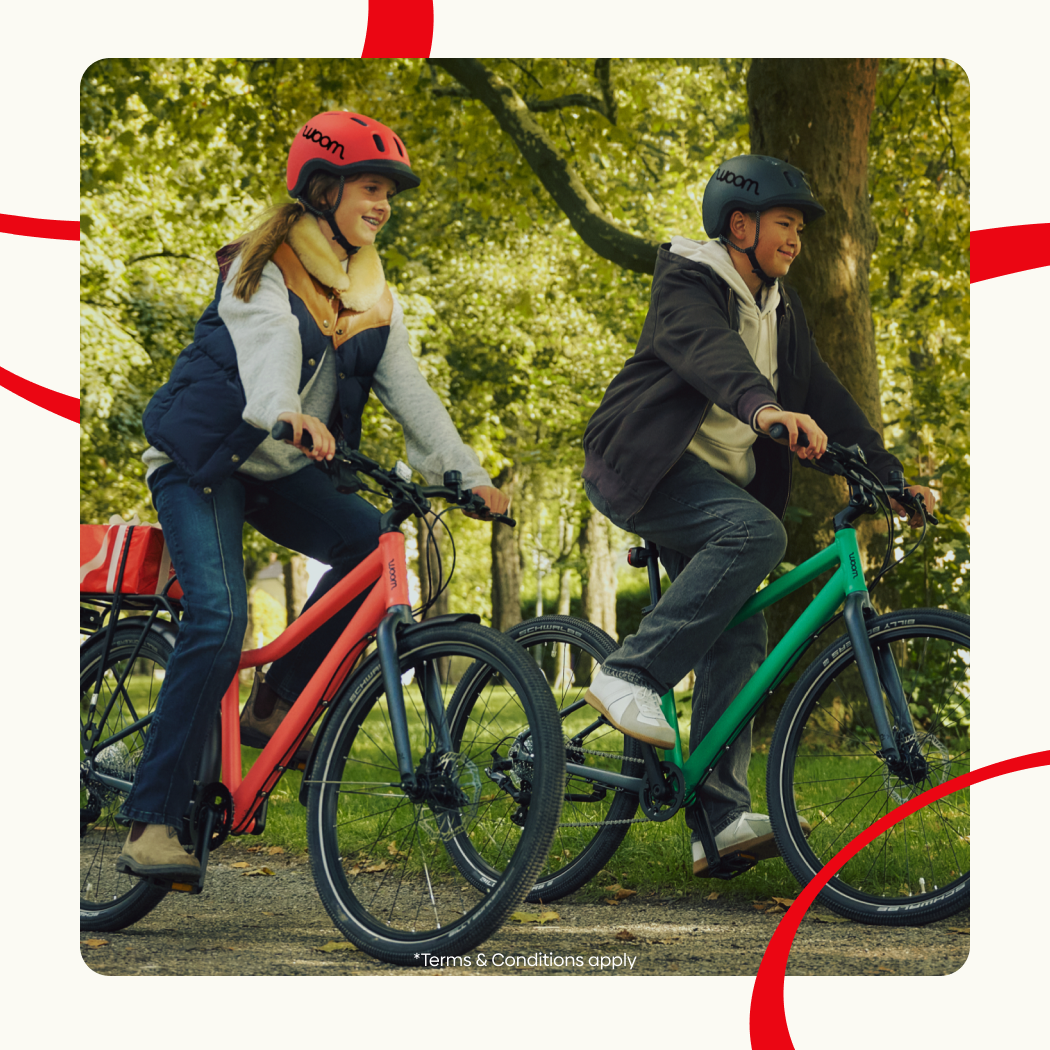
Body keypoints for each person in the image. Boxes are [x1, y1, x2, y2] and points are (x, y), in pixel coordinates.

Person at [117, 111, 508, 881]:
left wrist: (466, 472)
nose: (385, 203)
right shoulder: (260, 266)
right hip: (203, 459)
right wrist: (284, 411)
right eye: (372, 188)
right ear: (324, 189)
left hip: (281, 468)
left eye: (390, 192)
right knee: (221, 616)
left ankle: (275, 704)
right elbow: (266, 346)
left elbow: (412, 395)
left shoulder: (371, 294)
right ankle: (150, 821)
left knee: (371, 547)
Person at [580, 154, 934, 875]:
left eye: (801, 227)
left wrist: (890, 478)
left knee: (741, 631)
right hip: (645, 466)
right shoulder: (689, 280)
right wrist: (764, 407)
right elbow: (706, 354)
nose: (797, 238)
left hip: (712, 490)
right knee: (756, 533)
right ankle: (629, 673)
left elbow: (827, 396)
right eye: (784, 223)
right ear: (739, 226)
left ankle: (716, 821)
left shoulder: (783, 309)